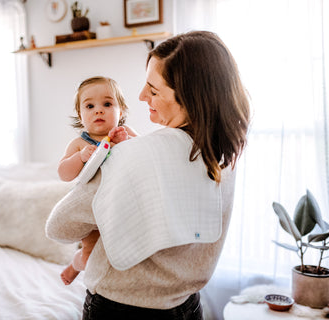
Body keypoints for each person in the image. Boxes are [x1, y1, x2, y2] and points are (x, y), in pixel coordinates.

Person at [46, 31, 250, 319]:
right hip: (187, 304)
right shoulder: (224, 151)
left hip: (121, 306)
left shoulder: (134, 154)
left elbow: (58, 227)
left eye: (153, 91)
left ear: (190, 97)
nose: (141, 96)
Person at [57, 76, 137, 285]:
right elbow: (63, 173)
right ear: (80, 114)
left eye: (107, 104)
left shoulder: (125, 133)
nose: (98, 110)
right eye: (90, 106)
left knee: (123, 251)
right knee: (90, 255)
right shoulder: (78, 144)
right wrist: (80, 158)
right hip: (90, 209)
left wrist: (124, 143)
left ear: (122, 111)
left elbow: (143, 156)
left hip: (120, 205)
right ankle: (77, 264)